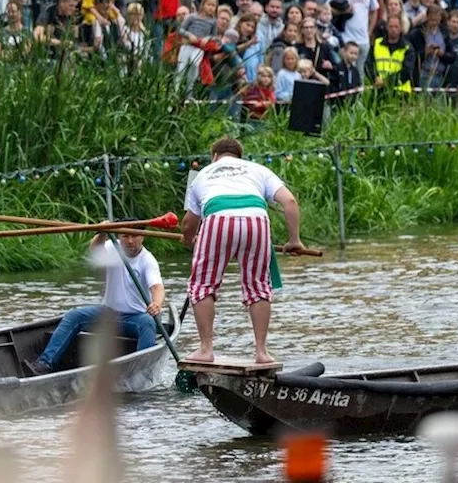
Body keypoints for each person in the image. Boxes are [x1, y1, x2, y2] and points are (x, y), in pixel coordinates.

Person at [180, 137, 305, 365]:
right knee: (257, 285)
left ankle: (206, 349)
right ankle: (262, 352)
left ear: (214, 156)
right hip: (256, 218)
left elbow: (190, 222)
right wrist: (294, 240)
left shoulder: (202, 175)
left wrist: (188, 240)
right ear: (239, 156)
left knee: (203, 285)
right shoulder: (258, 169)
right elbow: (290, 202)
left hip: (218, 218)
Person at [27, 225, 164, 375]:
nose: (130, 241)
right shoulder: (112, 248)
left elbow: (157, 288)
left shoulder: (147, 260)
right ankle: (45, 363)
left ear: (142, 236)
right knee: (74, 316)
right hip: (107, 313)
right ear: (118, 237)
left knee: (148, 323)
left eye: (134, 235)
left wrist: (156, 303)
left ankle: (140, 373)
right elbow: (95, 249)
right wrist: (102, 232)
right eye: (125, 236)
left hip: (135, 318)